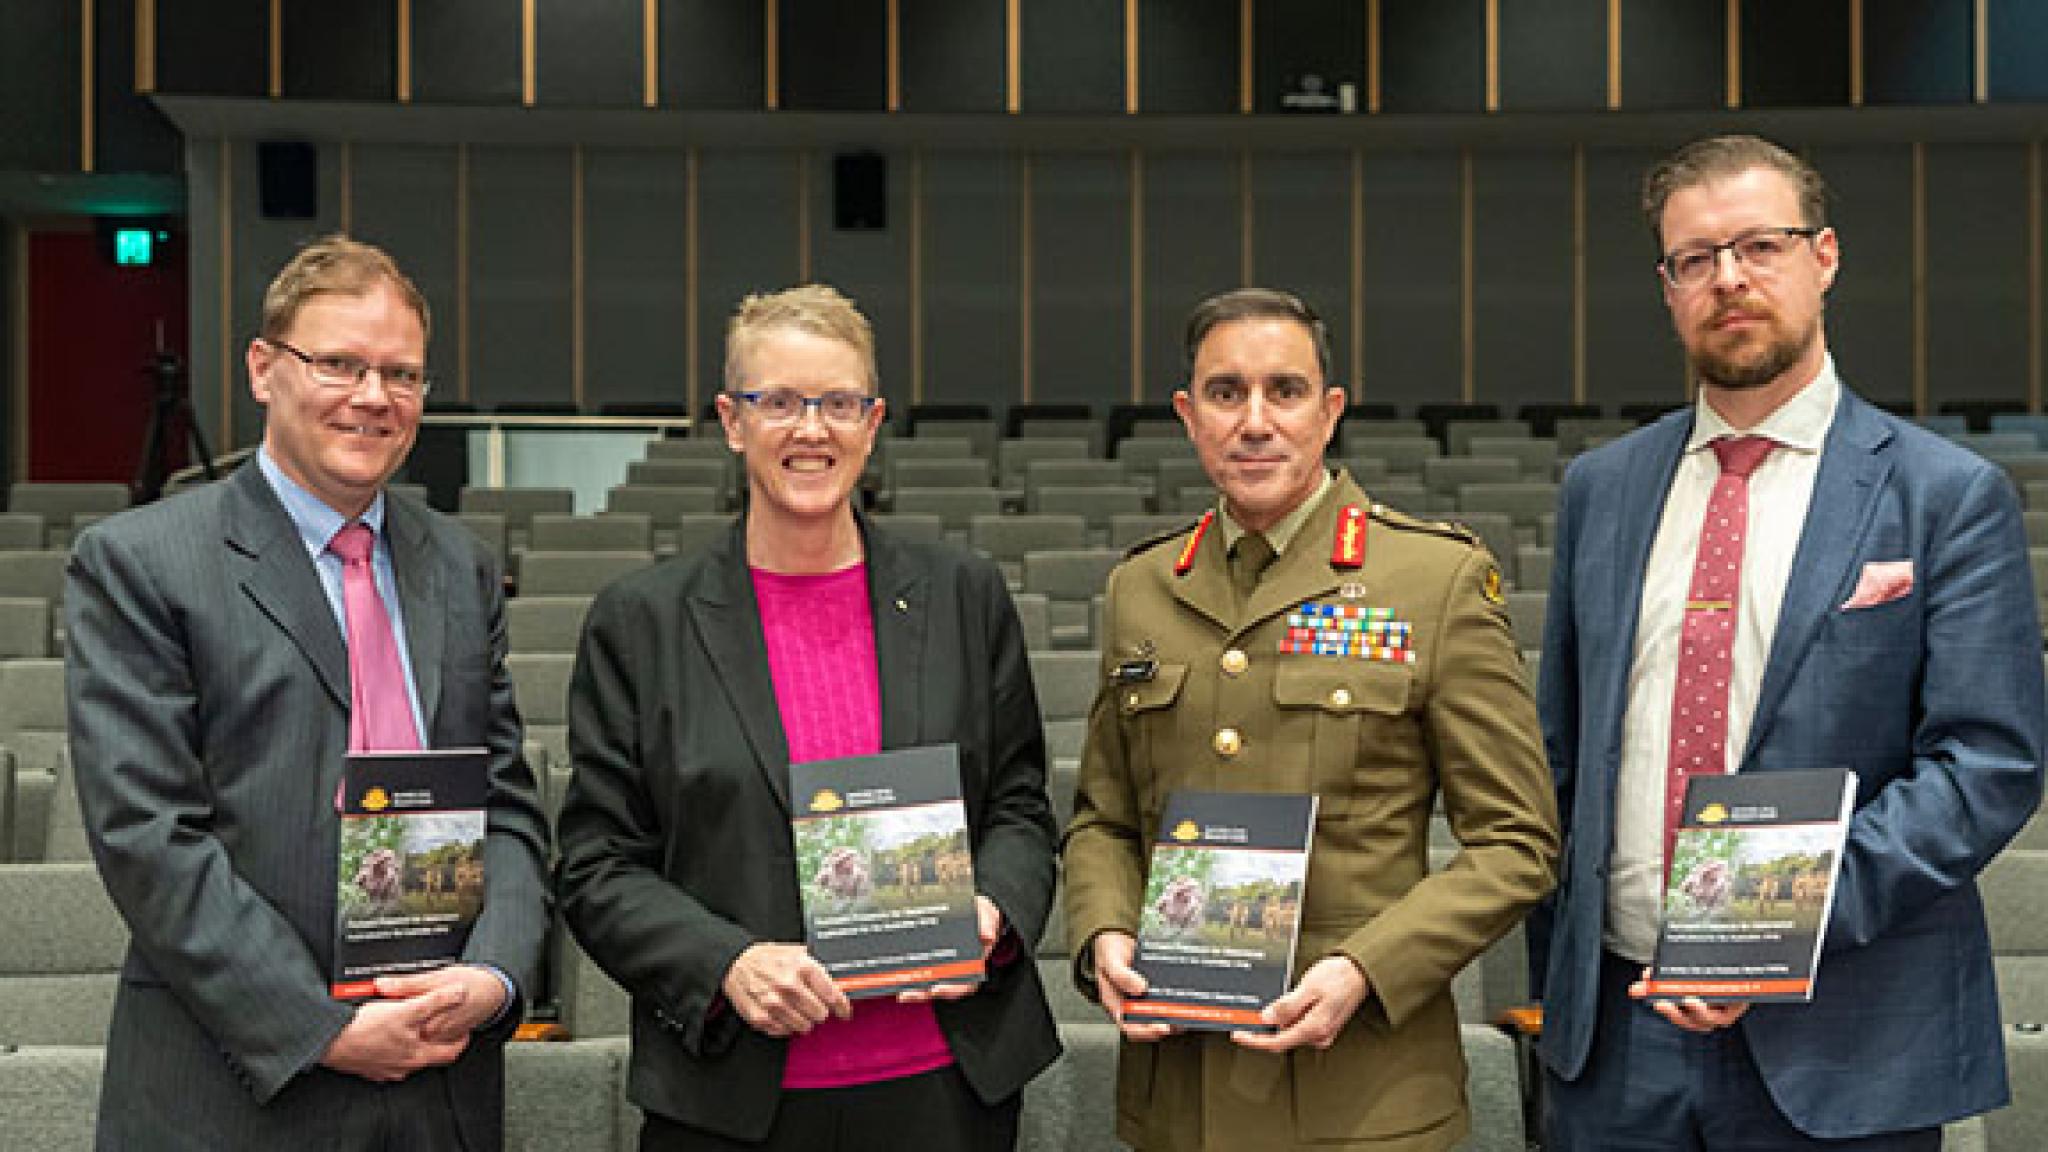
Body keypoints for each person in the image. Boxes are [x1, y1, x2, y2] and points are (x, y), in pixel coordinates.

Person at [1530, 134, 2046, 1149]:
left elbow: (1986, 764)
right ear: (1666, 286)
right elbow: (1560, 754)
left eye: (1758, 245)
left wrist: (1761, 930)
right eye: (1693, 258)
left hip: (1842, 1039)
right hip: (1615, 1046)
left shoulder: (1942, 496)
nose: (1727, 279)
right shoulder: (1601, 490)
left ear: (1823, 256)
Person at [65, 234, 552, 1150]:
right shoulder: (141, 564)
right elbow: (149, 838)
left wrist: (493, 977)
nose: (373, 398)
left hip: (439, 1089)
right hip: (234, 1089)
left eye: (401, 375)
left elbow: (509, 809)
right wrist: (318, 1026)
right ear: (263, 368)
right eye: (339, 364)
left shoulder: (461, 567)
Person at [554, 284, 1060, 1150]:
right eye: (779, 402)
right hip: (733, 1097)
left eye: (837, 403)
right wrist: (727, 965)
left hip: (944, 1089)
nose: (811, 430)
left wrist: (993, 912)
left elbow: (1019, 805)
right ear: (731, 419)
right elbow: (598, 865)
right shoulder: (642, 622)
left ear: (872, 420)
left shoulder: (962, 596)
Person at [1062, 287, 1559, 1151]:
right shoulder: (1140, 588)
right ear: (1188, 415)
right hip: (1181, 1093)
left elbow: (1518, 844)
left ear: (1330, 411)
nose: (1255, 421)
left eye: (1284, 391)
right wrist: (1103, 927)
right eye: (1226, 393)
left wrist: (1369, 967)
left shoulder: (1433, 580)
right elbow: (1104, 819)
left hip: (1363, 1095)